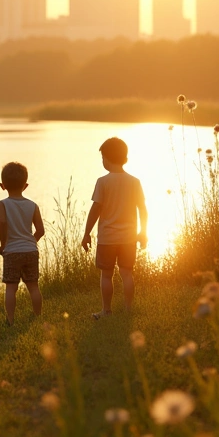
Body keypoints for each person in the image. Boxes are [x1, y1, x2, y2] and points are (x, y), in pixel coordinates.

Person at [81, 137, 147, 320]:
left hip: (107, 238)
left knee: (106, 275)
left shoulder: (103, 182)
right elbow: (142, 209)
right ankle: (128, 308)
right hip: (128, 238)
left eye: (103, 158)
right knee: (126, 273)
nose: (102, 161)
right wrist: (143, 231)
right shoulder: (134, 181)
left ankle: (106, 310)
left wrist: (86, 234)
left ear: (107, 159)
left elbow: (95, 210)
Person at [0, 161, 45, 325]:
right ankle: (38, 315)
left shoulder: (2, 205)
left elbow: (3, 223)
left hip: (12, 251)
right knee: (33, 286)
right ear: (26, 185)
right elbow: (40, 230)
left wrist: (4, 245)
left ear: (2, 185)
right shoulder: (33, 205)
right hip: (31, 250)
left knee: (11, 287)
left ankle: (10, 320)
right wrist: (31, 241)